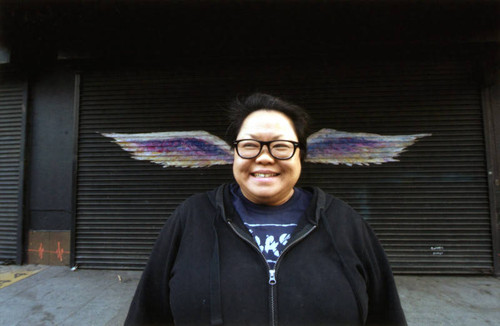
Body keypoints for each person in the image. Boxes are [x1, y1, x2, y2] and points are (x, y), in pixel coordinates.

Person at [125, 93, 407, 326]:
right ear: (234, 153)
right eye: (249, 145)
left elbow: (386, 316)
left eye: (280, 147)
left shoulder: (346, 224)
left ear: (301, 155)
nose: (263, 157)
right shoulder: (190, 218)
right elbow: (147, 315)